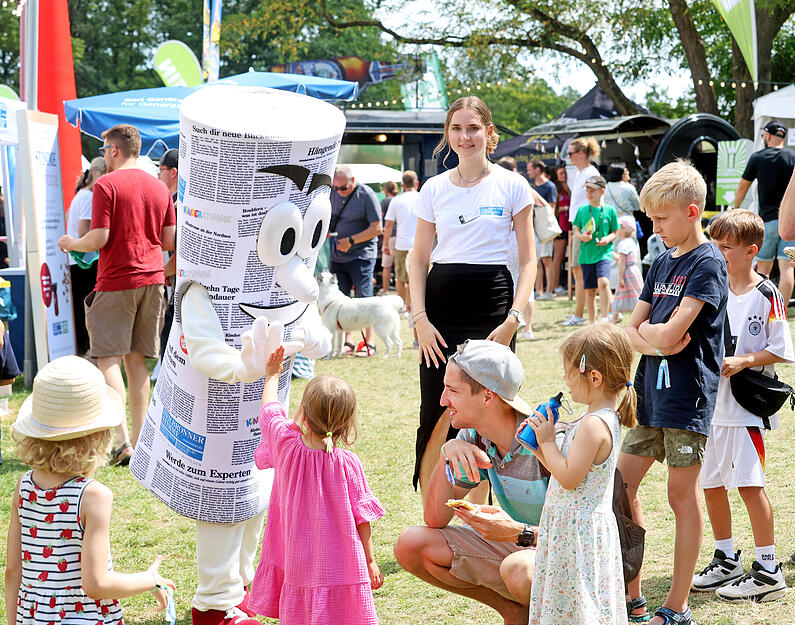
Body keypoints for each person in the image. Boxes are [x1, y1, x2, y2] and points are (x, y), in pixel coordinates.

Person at [619, 160, 728, 625]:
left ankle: (677, 606)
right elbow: (634, 332)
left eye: (662, 219)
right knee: (620, 489)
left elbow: (666, 332)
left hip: (688, 399)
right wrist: (656, 340)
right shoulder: (661, 260)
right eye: (651, 219)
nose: (656, 228)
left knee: (681, 497)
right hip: (648, 395)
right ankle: (632, 595)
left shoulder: (708, 262)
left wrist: (652, 336)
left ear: (691, 211)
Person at [409, 96, 536, 493]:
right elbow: (418, 259)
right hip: (439, 312)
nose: (465, 136)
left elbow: (529, 261)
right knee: (437, 408)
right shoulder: (433, 189)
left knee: (490, 410)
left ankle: (481, 511)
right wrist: (419, 319)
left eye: (473, 128)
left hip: (494, 310)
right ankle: (434, 511)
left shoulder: (513, 185)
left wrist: (513, 318)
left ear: (489, 133)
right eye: (457, 128)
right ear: (448, 135)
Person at [4, 356, 175, 625]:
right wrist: (150, 579)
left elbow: (13, 572)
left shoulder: (24, 486)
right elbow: (96, 584)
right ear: (97, 435)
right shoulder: (93, 496)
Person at [393, 340, 548, 625]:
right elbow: (435, 518)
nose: (443, 400)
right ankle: (512, 610)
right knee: (411, 545)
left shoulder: (546, 440)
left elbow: (582, 533)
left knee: (519, 568)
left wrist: (519, 532)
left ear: (488, 396)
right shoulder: (473, 436)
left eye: (452, 390)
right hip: (524, 549)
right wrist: (447, 453)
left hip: (566, 552)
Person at [57, 124, 176, 465]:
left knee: (107, 359)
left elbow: (99, 238)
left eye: (104, 149)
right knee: (137, 363)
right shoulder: (159, 187)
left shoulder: (106, 184)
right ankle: (139, 441)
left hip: (116, 280)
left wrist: (72, 242)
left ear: (113, 150)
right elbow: (170, 241)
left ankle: (122, 442)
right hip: (152, 281)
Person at [690, 210, 791, 602]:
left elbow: (781, 349)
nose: (719, 253)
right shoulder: (710, 286)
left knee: (750, 486)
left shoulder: (767, 294)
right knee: (711, 484)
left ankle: (768, 570)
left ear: (751, 251)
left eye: (726, 247)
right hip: (711, 407)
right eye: (715, 245)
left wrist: (745, 360)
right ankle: (726, 557)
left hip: (746, 408)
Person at [248, 346, 384, 625]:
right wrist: (370, 560)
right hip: (342, 567)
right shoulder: (348, 463)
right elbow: (362, 519)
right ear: (346, 423)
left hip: (297, 564)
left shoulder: (285, 446)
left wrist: (272, 375)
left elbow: (270, 412)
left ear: (303, 415)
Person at [521, 323, 635, 624]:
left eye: (569, 372)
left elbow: (570, 479)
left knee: (578, 605)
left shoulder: (593, 425)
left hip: (577, 533)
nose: (565, 380)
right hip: (574, 528)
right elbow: (564, 471)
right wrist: (538, 447)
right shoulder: (598, 419)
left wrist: (548, 441)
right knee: (572, 604)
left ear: (594, 377)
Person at [733, 120, 795, 305]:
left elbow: (743, 187)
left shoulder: (758, 157)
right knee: (787, 270)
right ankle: (781, 313)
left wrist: (735, 209)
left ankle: (762, 311)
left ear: (767, 136)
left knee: (762, 270)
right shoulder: (792, 157)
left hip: (767, 221)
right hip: (790, 223)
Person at [330, 164, 383, 355]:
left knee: (364, 299)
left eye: (343, 188)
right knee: (341, 300)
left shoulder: (366, 194)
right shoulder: (334, 193)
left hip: (362, 255)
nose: (339, 192)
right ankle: (348, 341)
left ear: (352, 180)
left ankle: (369, 343)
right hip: (338, 256)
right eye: (335, 188)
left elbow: (377, 228)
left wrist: (351, 241)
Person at [66, 157, 106, 356]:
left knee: (82, 308)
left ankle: (86, 351)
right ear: (97, 174)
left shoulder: (81, 195)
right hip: (85, 261)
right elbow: (84, 231)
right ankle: (90, 351)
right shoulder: (89, 197)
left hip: (78, 261)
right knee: (87, 309)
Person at [562, 138, 601, 326]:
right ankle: (580, 314)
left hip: (586, 229)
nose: (568, 157)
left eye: (570, 153)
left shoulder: (590, 173)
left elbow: (596, 202)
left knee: (580, 272)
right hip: (578, 228)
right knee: (578, 272)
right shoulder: (581, 173)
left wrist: (586, 230)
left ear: (580, 154)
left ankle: (579, 316)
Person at [571, 175, 619, 323]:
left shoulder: (610, 210)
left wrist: (608, 239)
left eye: (592, 190)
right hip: (586, 255)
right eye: (587, 190)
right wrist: (581, 236)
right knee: (590, 290)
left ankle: (605, 317)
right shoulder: (582, 210)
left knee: (603, 282)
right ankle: (593, 321)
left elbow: (615, 232)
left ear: (602, 191)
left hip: (604, 253)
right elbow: (576, 230)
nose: (589, 193)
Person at [151, 148, 179, 381]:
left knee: (169, 334)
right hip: (178, 285)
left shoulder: (181, 205)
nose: (158, 176)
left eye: (160, 170)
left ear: (173, 172)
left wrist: (157, 274)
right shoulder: (175, 201)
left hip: (184, 288)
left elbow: (183, 254)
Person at [383, 171, 420, 315]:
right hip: (419, 244)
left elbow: (388, 225)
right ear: (417, 183)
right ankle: (413, 306)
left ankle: (403, 306)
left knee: (400, 278)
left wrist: (385, 244)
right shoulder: (423, 198)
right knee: (415, 278)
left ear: (402, 185)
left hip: (402, 244)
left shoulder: (396, 200)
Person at [528, 160, 558, 300]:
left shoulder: (550, 186)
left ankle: (549, 291)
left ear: (538, 169)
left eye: (530, 169)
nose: (528, 172)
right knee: (537, 260)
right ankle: (538, 290)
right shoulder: (533, 186)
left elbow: (552, 208)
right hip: (534, 227)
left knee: (546, 259)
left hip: (544, 227)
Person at [612, 215, 644, 323]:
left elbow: (622, 262)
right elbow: (623, 259)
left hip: (627, 273)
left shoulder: (623, 243)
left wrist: (620, 278)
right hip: (634, 271)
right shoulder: (631, 242)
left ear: (624, 230)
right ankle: (640, 316)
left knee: (620, 293)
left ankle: (614, 318)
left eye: (619, 227)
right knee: (636, 293)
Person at [552, 165, 572, 296]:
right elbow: (553, 209)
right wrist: (565, 209)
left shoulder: (569, 187)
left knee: (565, 258)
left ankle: (563, 284)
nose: (563, 175)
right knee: (558, 258)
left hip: (569, 226)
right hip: (560, 227)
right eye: (560, 173)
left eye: (564, 173)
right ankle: (555, 286)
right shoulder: (556, 189)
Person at [379, 180, 399, 296]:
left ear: (386, 190)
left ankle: (385, 290)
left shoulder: (385, 201)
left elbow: (380, 216)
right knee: (399, 265)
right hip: (400, 234)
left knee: (386, 265)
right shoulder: (399, 199)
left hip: (389, 234)